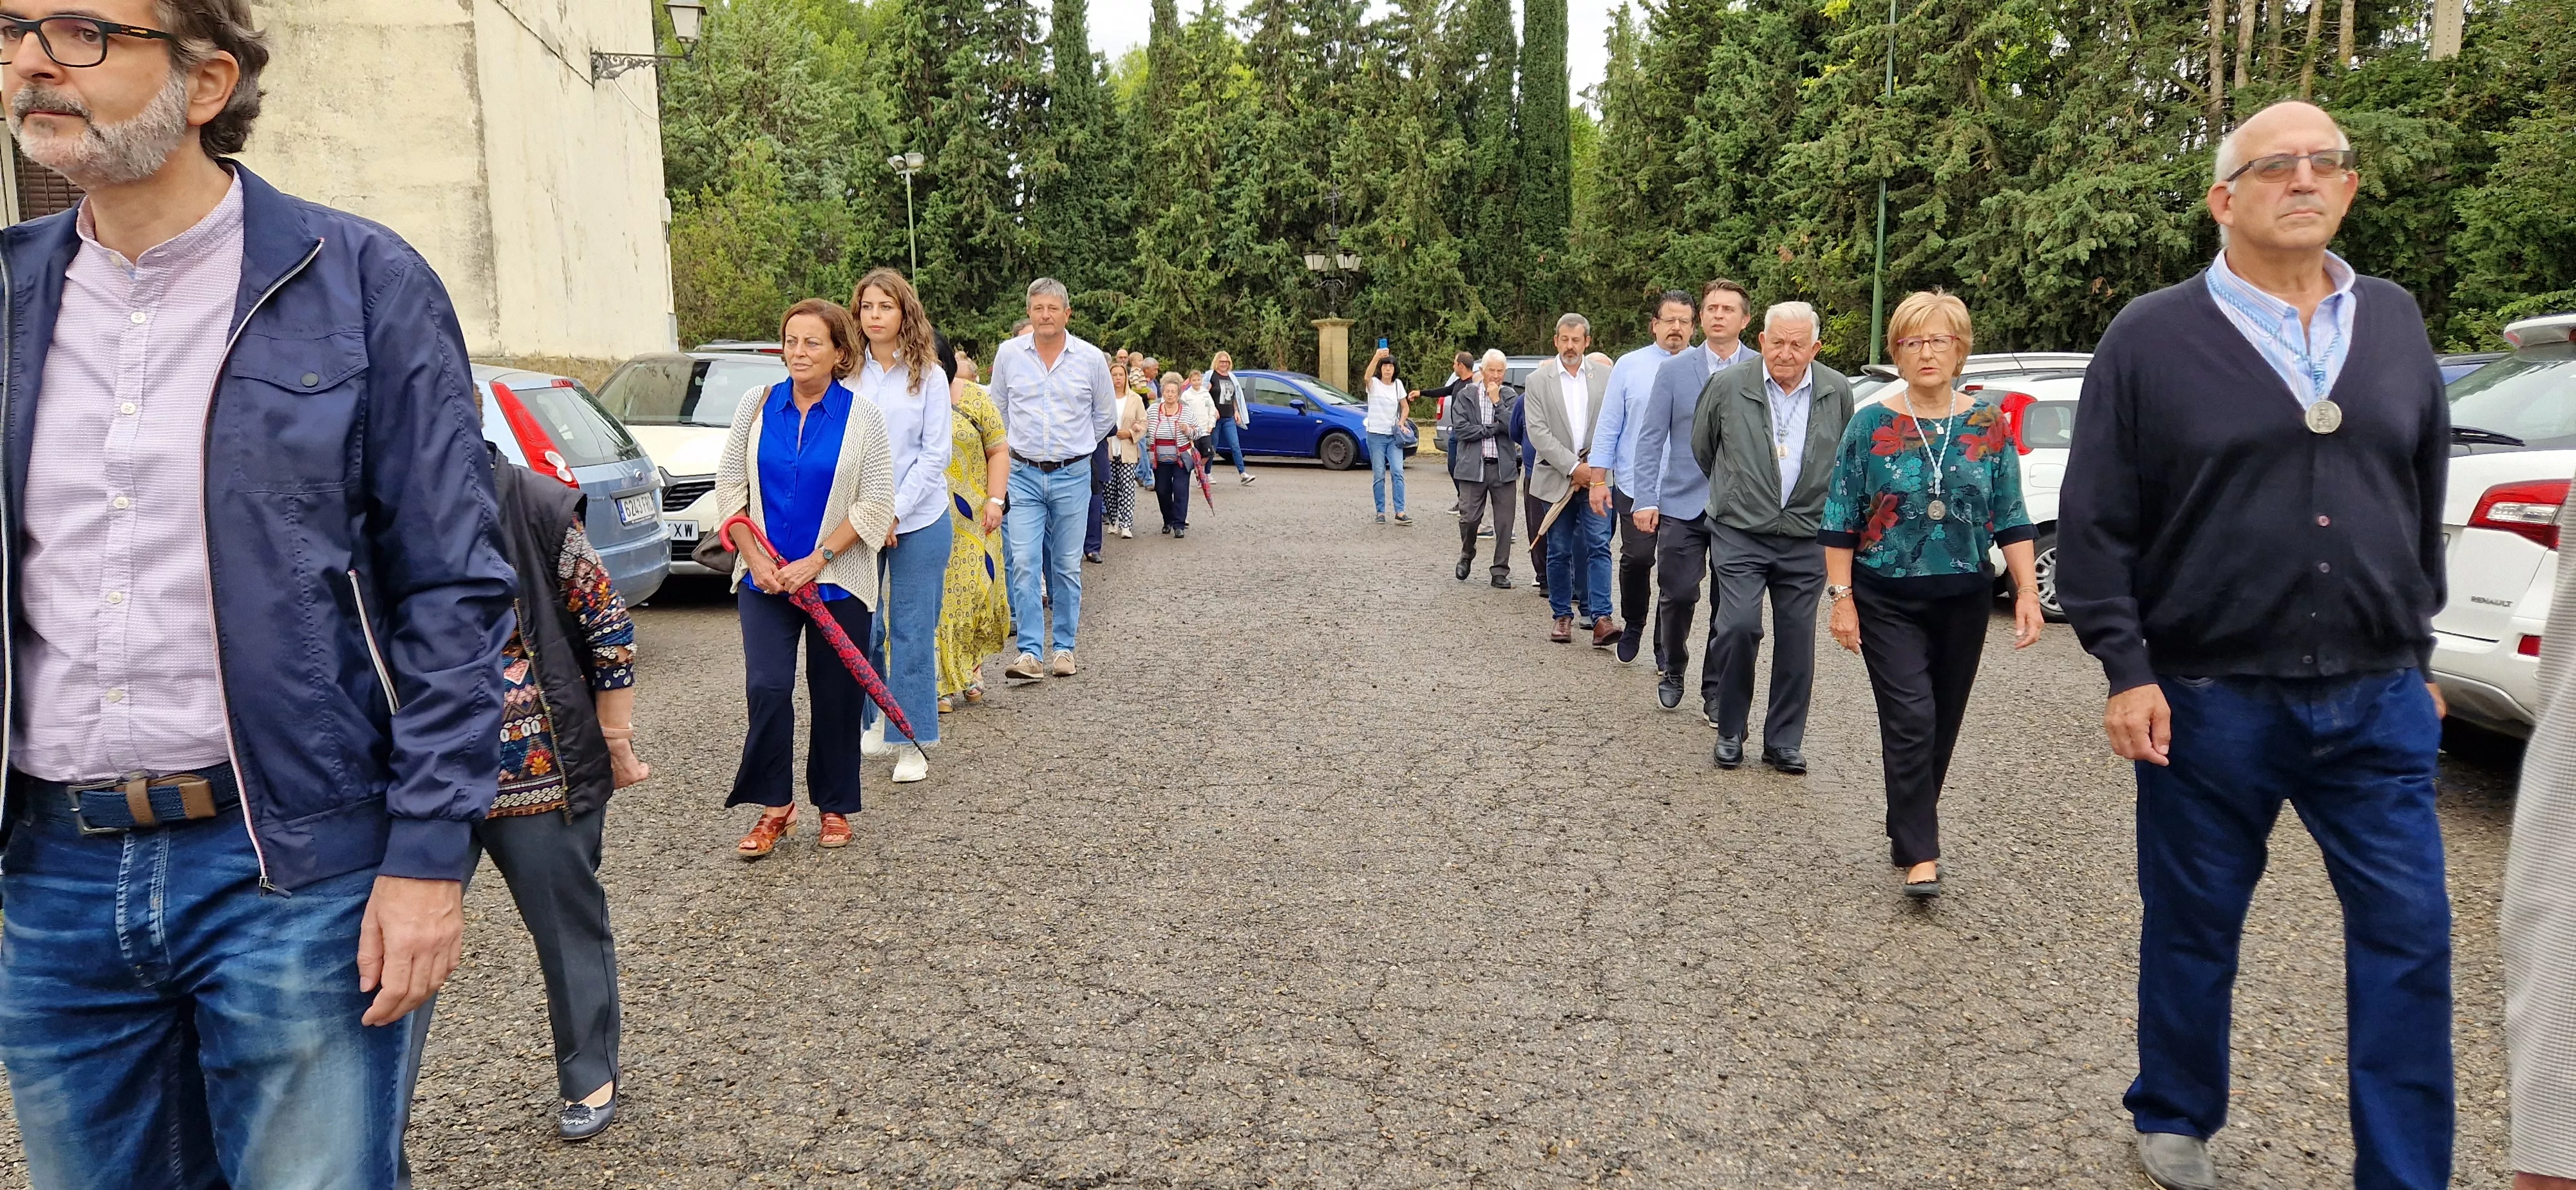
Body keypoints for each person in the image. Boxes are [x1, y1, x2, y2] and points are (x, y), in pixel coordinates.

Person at [0, 4, 519, 1185]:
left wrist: (429, 853)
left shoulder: (363, 280)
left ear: (204, 81)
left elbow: (451, 586)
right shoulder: (11, 298)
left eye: (81, 31)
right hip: (54, 875)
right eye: (12, 26)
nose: (32, 59)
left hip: (290, 862)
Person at [2058, 100, 2455, 1190]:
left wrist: (2417, 657)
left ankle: (2407, 1169)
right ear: (2223, 199)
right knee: (2194, 923)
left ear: (2350, 189)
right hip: (2207, 697)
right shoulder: (2150, 335)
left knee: (2412, 939)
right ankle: (2176, 1106)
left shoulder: (2397, 322)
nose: (2305, 179)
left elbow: (2417, 495)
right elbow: (2096, 520)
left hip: (2375, 700)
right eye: (2276, 165)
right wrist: (2126, 669)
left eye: (2326, 162)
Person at [399, 442, 652, 1158]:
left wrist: (614, 737)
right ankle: (379, 1109)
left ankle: (589, 1076)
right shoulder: (385, 504)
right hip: (419, 773)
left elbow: (609, 628)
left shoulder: (534, 505)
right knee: (397, 942)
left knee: (565, 925)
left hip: (533, 765)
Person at [1818, 292, 2041, 899]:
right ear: (1896, 352)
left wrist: (2025, 590)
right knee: (1911, 717)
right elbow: (1840, 515)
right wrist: (1842, 596)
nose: (1926, 353)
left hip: (1964, 597)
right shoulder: (1870, 425)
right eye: (1912, 342)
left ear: (1960, 349)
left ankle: (1905, 825)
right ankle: (1922, 852)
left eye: (1939, 340)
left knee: (1941, 721)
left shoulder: (1987, 424)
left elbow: (2011, 514)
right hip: (1886, 595)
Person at [716, 299, 898, 857]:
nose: (798, 352)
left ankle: (835, 806)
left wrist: (815, 561)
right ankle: (776, 808)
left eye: (812, 342)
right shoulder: (757, 404)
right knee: (767, 688)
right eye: (791, 341)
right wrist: (760, 559)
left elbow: (875, 503)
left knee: (836, 695)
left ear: (840, 352)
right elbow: (729, 489)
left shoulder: (862, 416)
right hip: (765, 580)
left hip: (836, 580)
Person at [1687, 301, 1856, 774]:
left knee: (1797, 639)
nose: (1785, 353)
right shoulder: (1727, 386)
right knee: (1738, 626)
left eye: (1796, 344)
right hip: (1740, 531)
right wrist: (1739, 490)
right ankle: (1730, 729)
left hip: (1806, 535)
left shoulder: (1837, 390)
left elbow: (1844, 460)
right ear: (1761, 340)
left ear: (1815, 348)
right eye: (1776, 341)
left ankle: (1783, 740)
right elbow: (1705, 449)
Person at [1631, 279, 1758, 715]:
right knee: (1679, 593)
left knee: (1732, 607)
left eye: (1728, 309)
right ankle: (1673, 664)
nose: (1718, 315)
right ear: (1701, 318)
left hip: (1740, 510)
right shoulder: (1675, 370)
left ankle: (1716, 689)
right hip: (1682, 504)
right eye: (1711, 308)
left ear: (1745, 319)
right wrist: (1645, 498)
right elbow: (1650, 439)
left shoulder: (1760, 369)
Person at [848, 269, 952, 785]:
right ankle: (875, 717)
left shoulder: (929, 375)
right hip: (856, 520)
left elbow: (936, 455)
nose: (874, 315)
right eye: (867, 306)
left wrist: (895, 511)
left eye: (884, 306)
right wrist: (869, 514)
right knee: (863, 626)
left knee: (911, 632)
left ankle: (911, 739)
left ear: (903, 312)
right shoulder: (846, 375)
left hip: (921, 517)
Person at [989, 279, 1120, 681]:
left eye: (1053, 308)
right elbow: (999, 412)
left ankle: (1064, 648)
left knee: (1065, 565)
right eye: (1038, 308)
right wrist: (1015, 452)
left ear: (1067, 313)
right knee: (1025, 563)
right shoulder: (1009, 355)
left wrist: (1075, 447)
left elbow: (1105, 416)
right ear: (1029, 311)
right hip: (1024, 474)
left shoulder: (1091, 358)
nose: (1045, 315)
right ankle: (1029, 652)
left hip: (1073, 473)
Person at [1589, 291, 1696, 665]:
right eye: (1670, 320)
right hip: (1636, 485)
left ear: (1693, 327)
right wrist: (1598, 479)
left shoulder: (1703, 368)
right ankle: (1634, 622)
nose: (1676, 328)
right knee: (1636, 560)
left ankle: (1665, 643)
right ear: (1655, 324)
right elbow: (1609, 424)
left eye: (1684, 321)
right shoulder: (1630, 366)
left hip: (1686, 489)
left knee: (1677, 574)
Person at [1523, 314, 1618, 646]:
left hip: (1597, 478)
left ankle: (1602, 618)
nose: (1570, 346)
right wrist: (1571, 468)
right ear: (1556, 341)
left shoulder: (1607, 377)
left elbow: (1613, 423)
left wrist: (1595, 469)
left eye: (1576, 340)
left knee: (1599, 546)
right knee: (1559, 549)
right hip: (1556, 478)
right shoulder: (1538, 381)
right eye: (1564, 339)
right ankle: (1561, 616)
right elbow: (1537, 431)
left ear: (1587, 342)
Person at [935, 342, 1012, 715]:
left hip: (975, 517)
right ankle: (940, 680)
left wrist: (995, 501)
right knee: (938, 600)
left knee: (976, 592)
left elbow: (998, 449)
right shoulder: (903, 401)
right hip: (924, 517)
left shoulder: (976, 400)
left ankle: (970, 668)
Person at [1446, 351, 1522, 587]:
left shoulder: (1510, 396)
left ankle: (1500, 571)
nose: (1496, 376)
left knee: (1504, 523)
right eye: (1492, 371)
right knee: (1469, 519)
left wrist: (1497, 401)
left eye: (1501, 372)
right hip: (1472, 467)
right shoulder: (1466, 396)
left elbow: (1513, 428)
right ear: (1482, 371)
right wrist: (1491, 428)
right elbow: (1461, 431)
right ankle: (1467, 553)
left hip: (1503, 468)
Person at [1144, 373, 1208, 537]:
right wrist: (1138, 427)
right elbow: (1144, 427)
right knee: (1162, 491)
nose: (1170, 395)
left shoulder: (1186, 412)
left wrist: (1188, 430)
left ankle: (1179, 524)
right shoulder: (1152, 410)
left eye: (1174, 392)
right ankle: (1168, 520)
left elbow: (1199, 433)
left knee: (1181, 491)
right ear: (1162, 393)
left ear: (1179, 395)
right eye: (1167, 392)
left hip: (1181, 459)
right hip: (1160, 460)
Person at [1361, 348, 1413, 524]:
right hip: (1376, 435)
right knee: (1379, 474)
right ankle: (1380, 512)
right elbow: (1366, 377)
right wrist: (1376, 356)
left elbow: (1405, 407)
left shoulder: (1398, 385)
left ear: (1394, 369)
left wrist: (1402, 421)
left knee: (1398, 471)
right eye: (1385, 366)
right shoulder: (1374, 384)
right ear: (1380, 368)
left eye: (1391, 366)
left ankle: (1400, 511)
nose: (1388, 369)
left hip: (1393, 436)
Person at [1104, 362, 1145, 538]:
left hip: (1127, 449)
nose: (1118, 378)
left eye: (1121, 375)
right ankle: (1114, 520)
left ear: (1126, 377)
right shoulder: (1104, 398)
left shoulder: (1135, 399)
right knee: (1110, 488)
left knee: (1127, 487)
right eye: (1115, 375)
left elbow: (1144, 423)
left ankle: (1127, 524)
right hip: (1109, 449)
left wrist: (1130, 433)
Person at [1208, 351, 1256, 484]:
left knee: (1235, 445)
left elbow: (1234, 396)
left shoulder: (1231, 377)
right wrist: (1212, 410)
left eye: (1226, 362)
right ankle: (1206, 473)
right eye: (1222, 362)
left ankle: (1243, 473)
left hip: (1229, 417)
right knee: (1213, 446)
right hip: (1215, 419)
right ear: (1217, 362)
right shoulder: (1211, 376)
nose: (1224, 364)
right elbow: (1205, 396)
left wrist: (1236, 411)